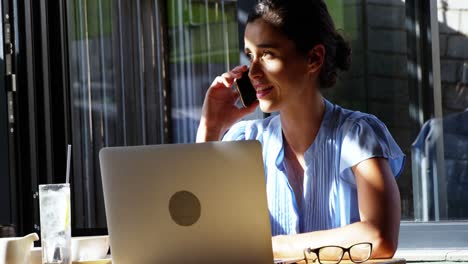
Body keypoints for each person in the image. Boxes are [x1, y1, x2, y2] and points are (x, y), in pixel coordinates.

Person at [196, 0, 405, 260]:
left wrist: (270, 245)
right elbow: (199, 233)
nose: (253, 72)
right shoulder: (245, 139)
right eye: (250, 56)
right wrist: (211, 126)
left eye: (267, 54)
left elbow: (379, 237)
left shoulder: (356, 135)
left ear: (314, 58)